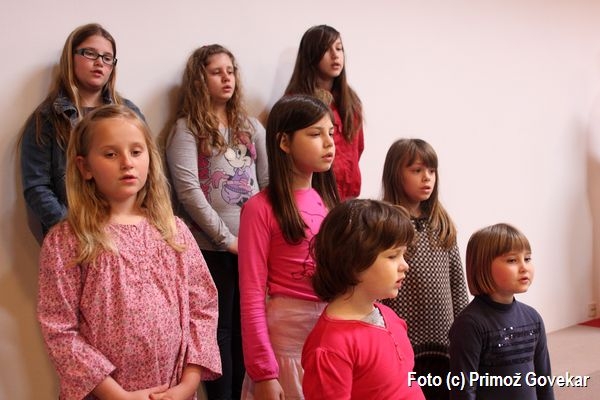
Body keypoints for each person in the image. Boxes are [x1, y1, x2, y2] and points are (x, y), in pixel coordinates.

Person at [37, 105, 221, 400]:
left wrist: (188, 383)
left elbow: (203, 308)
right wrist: (117, 395)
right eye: (111, 154)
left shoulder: (173, 231)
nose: (127, 163)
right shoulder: (67, 240)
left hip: (173, 391)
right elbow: (60, 329)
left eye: (136, 152)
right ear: (85, 167)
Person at [164, 44, 268, 400]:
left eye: (230, 71)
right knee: (218, 329)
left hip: (253, 247)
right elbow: (189, 193)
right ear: (199, 79)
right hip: (210, 248)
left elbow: (267, 184)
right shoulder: (187, 129)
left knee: (246, 326)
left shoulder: (251, 128)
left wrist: (261, 237)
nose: (226, 78)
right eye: (216, 72)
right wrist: (227, 240)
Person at [238, 94, 339, 400]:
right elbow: (252, 295)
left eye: (331, 133)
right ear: (284, 142)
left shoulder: (329, 203)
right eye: (315, 134)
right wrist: (264, 373)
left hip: (330, 340)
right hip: (286, 346)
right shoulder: (260, 208)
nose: (329, 143)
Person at [20, 23, 144, 240]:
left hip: (127, 233)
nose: (99, 62)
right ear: (70, 58)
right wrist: (74, 230)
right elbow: (37, 187)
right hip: (75, 237)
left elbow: (148, 173)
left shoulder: (129, 112)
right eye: (90, 53)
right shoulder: (47, 117)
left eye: (107, 58)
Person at [302, 199, 425, 400]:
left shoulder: (389, 316)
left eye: (403, 255)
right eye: (393, 256)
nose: (405, 265)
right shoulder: (330, 346)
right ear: (353, 261)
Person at [380, 138, 469, 400]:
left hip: (444, 340)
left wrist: (463, 330)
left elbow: (457, 283)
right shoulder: (385, 225)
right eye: (417, 170)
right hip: (402, 342)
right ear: (396, 174)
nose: (427, 177)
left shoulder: (441, 223)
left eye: (431, 170)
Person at [449, 223, 555, 400]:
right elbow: (463, 390)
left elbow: (544, 382)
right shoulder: (469, 325)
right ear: (483, 266)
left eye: (527, 258)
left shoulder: (533, 318)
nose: (524, 267)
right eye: (512, 260)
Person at [285, 24, 364, 200]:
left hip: (347, 198)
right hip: (311, 195)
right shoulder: (295, 102)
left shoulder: (351, 101)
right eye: (326, 49)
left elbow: (357, 149)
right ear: (311, 55)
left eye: (339, 48)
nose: (335, 55)